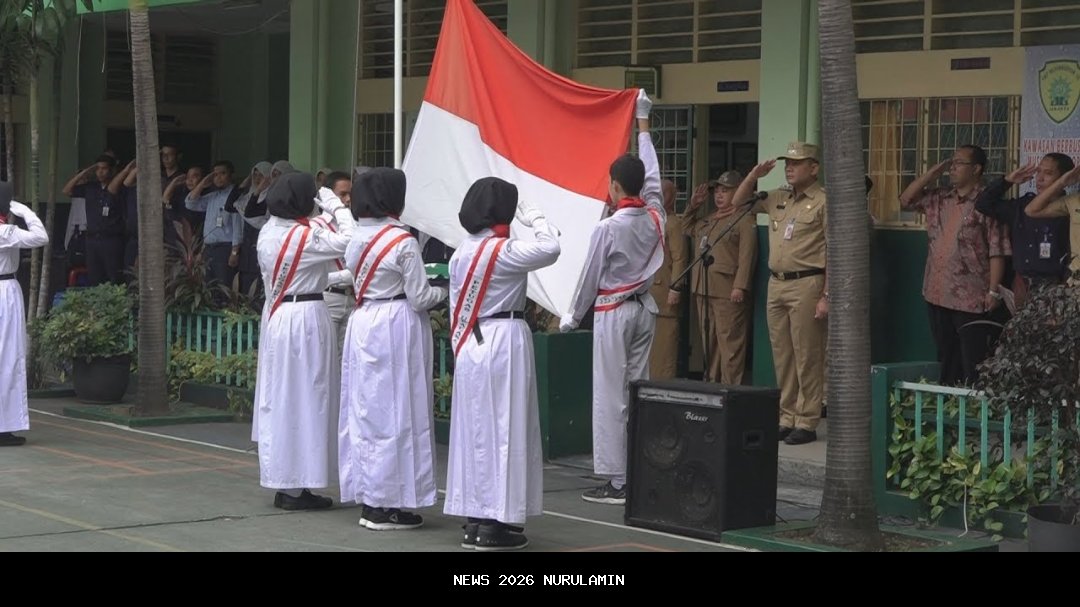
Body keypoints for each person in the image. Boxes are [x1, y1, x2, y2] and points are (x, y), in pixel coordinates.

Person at [443, 177, 561, 551]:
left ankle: (476, 517)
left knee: (476, 429)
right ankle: (495, 521)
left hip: (472, 339)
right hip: (503, 337)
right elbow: (551, 248)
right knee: (505, 428)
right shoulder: (503, 251)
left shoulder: (462, 251)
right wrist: (537, 218)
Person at [560, 90, 663, 504]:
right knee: (638, 390)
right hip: (645, 310)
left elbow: (589, 278)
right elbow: (653, 174)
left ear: (615, 186)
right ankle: (639, 469)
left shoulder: (608, 228)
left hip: (613, 312)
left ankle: (617, 481)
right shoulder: (655, 214)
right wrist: (643, 123)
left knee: (610, 396)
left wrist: (571, 316)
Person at [338, 167, 447, 530]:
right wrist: (445, 290)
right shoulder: (403, 241)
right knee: (399, 412)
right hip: (396, 324)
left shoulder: (357, 236)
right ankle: (388, 502)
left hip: (364, 319)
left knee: (367, 412)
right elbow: (419, 297)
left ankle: (371, 496)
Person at [254, 172, 354, 510]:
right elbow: (352, 240)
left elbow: (312, 272)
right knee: (311, 398)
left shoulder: (270, 231)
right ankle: (297, 485)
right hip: (306, 317)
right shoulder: (305, 236)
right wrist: (335, 206)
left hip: (281, 315)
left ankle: (290, 482)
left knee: (285, 399)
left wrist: (344, 275)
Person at [731, 142, 828, 444]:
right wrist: (753, 176)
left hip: (807, 283)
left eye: (797, 163)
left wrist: (827, 296)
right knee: (783, 355)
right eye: (788, 163)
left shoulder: (823, 202)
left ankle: (807, 420)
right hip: (777, 284)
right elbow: (737, 203)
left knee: (807, 354)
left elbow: (835, 251)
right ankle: (786, 416)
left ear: (814, 168)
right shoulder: (777, 197)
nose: (790, 168)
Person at [900, 145, 1010, 386]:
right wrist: (933, 173)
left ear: (976, 169)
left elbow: (997, 250)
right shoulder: (940, 197)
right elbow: (906, 200)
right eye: (952, 162)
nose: (953, 168)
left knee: (972, 358)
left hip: (971, 296)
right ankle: (949, 401)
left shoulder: (987, 203)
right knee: (946, 353)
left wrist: (993, 291)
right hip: (937, 291)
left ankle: (973, 403)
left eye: (959, 163)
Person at [682, 170, 757, 384]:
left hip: (727, 290)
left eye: (725, 190)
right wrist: (693, 206)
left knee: (730, 343)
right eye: (717, 191)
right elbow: (686, 228)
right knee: (709, 342)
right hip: (703, 287)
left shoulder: (743, 219)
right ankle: (712, 383)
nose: (719, 195)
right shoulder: (709, 219)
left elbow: (747, 256)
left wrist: (740, 286)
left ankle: (730, 387)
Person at [0, 181, 49, 446]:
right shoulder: (5, 231)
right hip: (4, 291)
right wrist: (25, 211)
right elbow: (41, 237)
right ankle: (3, 427)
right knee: (8, 357)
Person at [647, 179, 688, 380]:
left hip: (664, 293)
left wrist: (675, 288)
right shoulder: (650, 221)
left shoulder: (673, 223)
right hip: (649, 294)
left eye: (664, 193)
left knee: (664, 347)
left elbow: (680, 258)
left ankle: (662, 384)